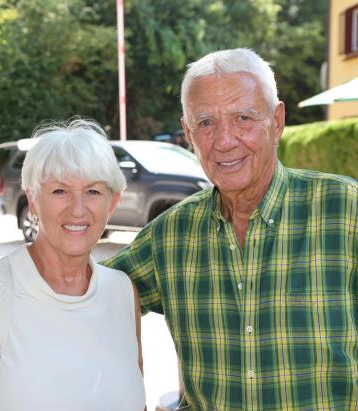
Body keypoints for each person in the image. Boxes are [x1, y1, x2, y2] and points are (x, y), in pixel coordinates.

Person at [104, 48, 358, 409]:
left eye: (243, 118)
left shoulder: (346, 211)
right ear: (189, 134)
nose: (224, 141)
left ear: (277, 120)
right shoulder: (170, 236)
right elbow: (85, 297)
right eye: (205, 123)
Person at [0, 119, 146, 411]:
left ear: (112, 203)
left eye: (93, 192)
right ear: (33, 199)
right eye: (59, 191)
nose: (77, 209)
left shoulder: (122, 292)